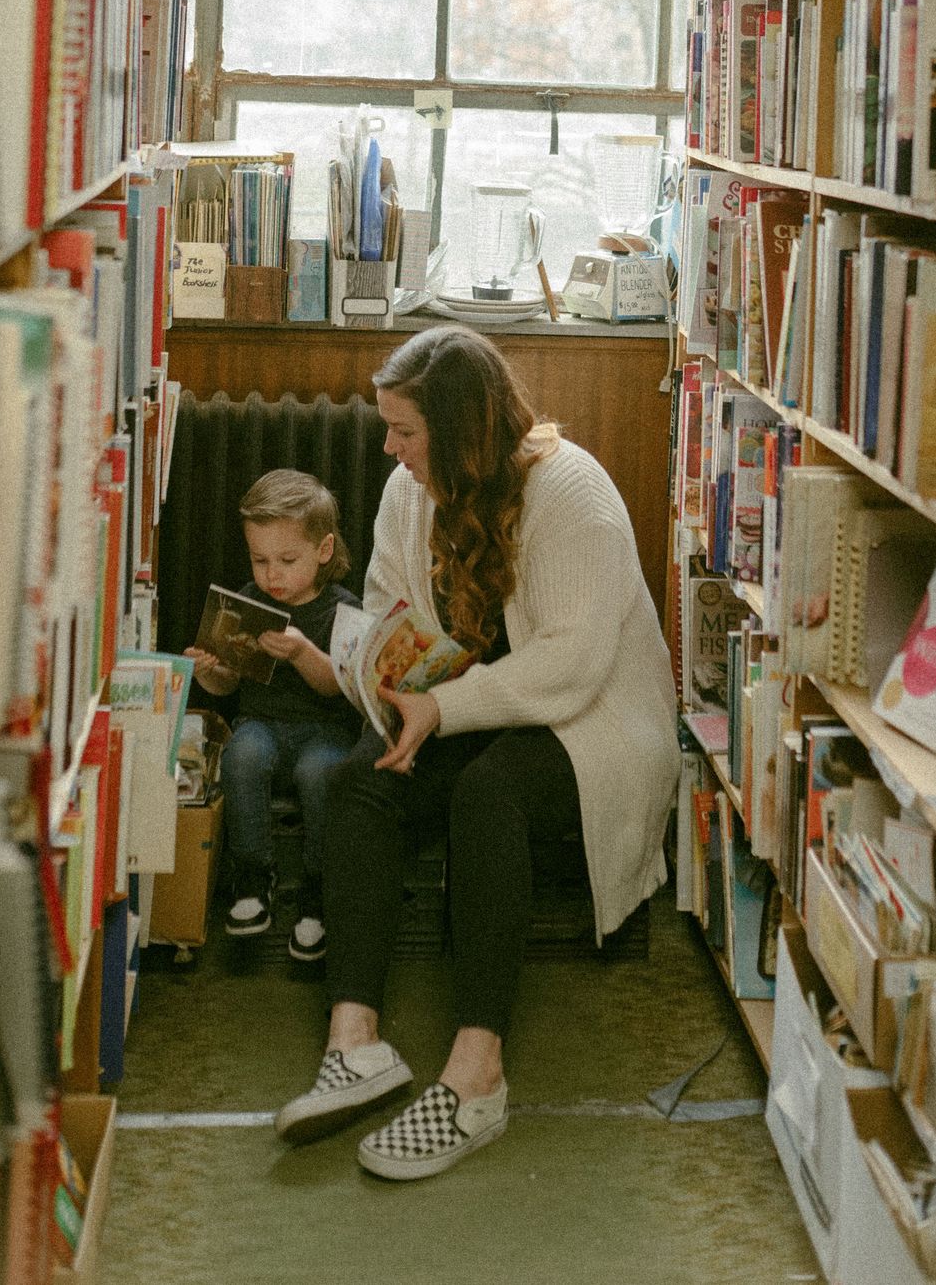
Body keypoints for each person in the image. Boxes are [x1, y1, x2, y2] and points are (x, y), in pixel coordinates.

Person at [275, 324, 681, 1180]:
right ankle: (356, 1044)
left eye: (405, 431)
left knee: (487, 796)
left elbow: (572, 663)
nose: (389, 448)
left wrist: (440, 705)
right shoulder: (405, 492)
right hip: (462, 705)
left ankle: (477, 1073)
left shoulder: (573, 492)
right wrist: (384, 684)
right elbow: (388, 603)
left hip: (588, 718)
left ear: (462, 430)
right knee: (360, 781)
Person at [185, 469, 358, 966]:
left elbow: (341, 685)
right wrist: (210, 672)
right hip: (261, 726)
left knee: (322, 772)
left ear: (323, 550)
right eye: (260, 560)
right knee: (242, 753)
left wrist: (303, 651)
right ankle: (252, 878)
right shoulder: (249, 601)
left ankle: (317, 894)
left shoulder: (339, 609)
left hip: (325, 731)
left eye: (286, 560)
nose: (271, 575)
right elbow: (227, 687)